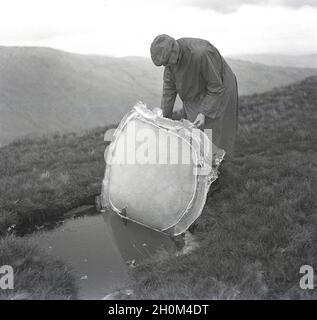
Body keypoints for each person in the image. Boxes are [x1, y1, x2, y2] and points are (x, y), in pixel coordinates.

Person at [150, 34, 238, 157]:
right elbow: (168, 92)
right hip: (194, 90)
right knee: (193, 129)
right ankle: (199, 162)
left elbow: (216, 87)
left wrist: (203, 112)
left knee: (211, 131)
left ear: (174, 51)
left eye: (166, 62)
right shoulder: (170, 64)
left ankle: (216, 167)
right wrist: (164, 120)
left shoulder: (201, 53)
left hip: (219, 87)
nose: (165, 66)